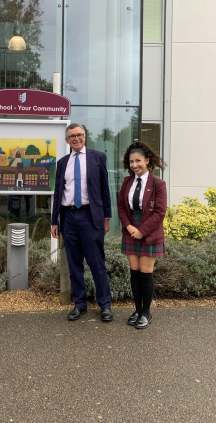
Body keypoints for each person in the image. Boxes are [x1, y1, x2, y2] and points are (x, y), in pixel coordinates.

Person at [51, 123, 113, 322]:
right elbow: (58, 193)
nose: (76, 138)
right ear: (67, 140)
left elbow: (105, 189)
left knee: (97, 263)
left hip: (90, 216)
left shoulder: (98, 158)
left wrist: (106, 217)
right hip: (68, 217)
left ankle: (105, 305)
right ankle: (80, 304)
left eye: (79, 135)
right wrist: (54, 221)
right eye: (72, 136)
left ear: (85, 137)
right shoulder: (62, 163)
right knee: (74, 263)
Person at [117, 141, 167, 330]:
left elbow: (160, 212)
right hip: (131, 228)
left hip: (150, 231)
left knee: (146, 273)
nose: (134, 165)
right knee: (134, 273)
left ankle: (146, 313)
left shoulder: (158, 184)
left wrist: (142, 231)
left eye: (138, 160)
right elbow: (121, 206)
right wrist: (129, 226)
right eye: (131, 162)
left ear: (147, 160)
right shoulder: (127, 182)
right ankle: (137, 310)